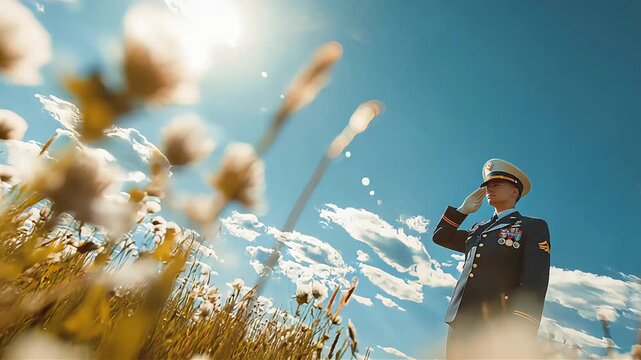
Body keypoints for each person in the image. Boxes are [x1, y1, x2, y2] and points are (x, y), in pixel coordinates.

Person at [432, 158, 551, 359]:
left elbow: (535, 280)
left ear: (514, 192)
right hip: (459, 318)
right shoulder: (478, 229)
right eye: (487, 185)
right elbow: (440, 237)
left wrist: (520, 328)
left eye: (496, 184)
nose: (489, 189)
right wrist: (462, 211)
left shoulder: (531, 226)